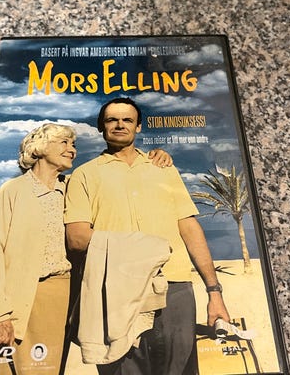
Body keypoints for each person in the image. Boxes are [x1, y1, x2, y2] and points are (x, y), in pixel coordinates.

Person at [0, 122, 172, 375]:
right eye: (64, 142)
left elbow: (114, 182)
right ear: (39, 147)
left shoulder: (72, 188)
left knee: (45, 369)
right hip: (17, 301)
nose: (72, 150)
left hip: (63, 297)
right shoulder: (13, 191)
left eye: (73, 144)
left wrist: (151, 156)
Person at [64, 98, 231, 375]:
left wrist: (215, 293)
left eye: (127, 120)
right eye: (112, 120)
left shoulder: (163, 168)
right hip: (115, 290)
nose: (120, 125)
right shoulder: (84, 175)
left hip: (174, 287)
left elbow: (189, 228)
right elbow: (77, 238)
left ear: (138, 127)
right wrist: (141, 249)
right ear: (101, 127)